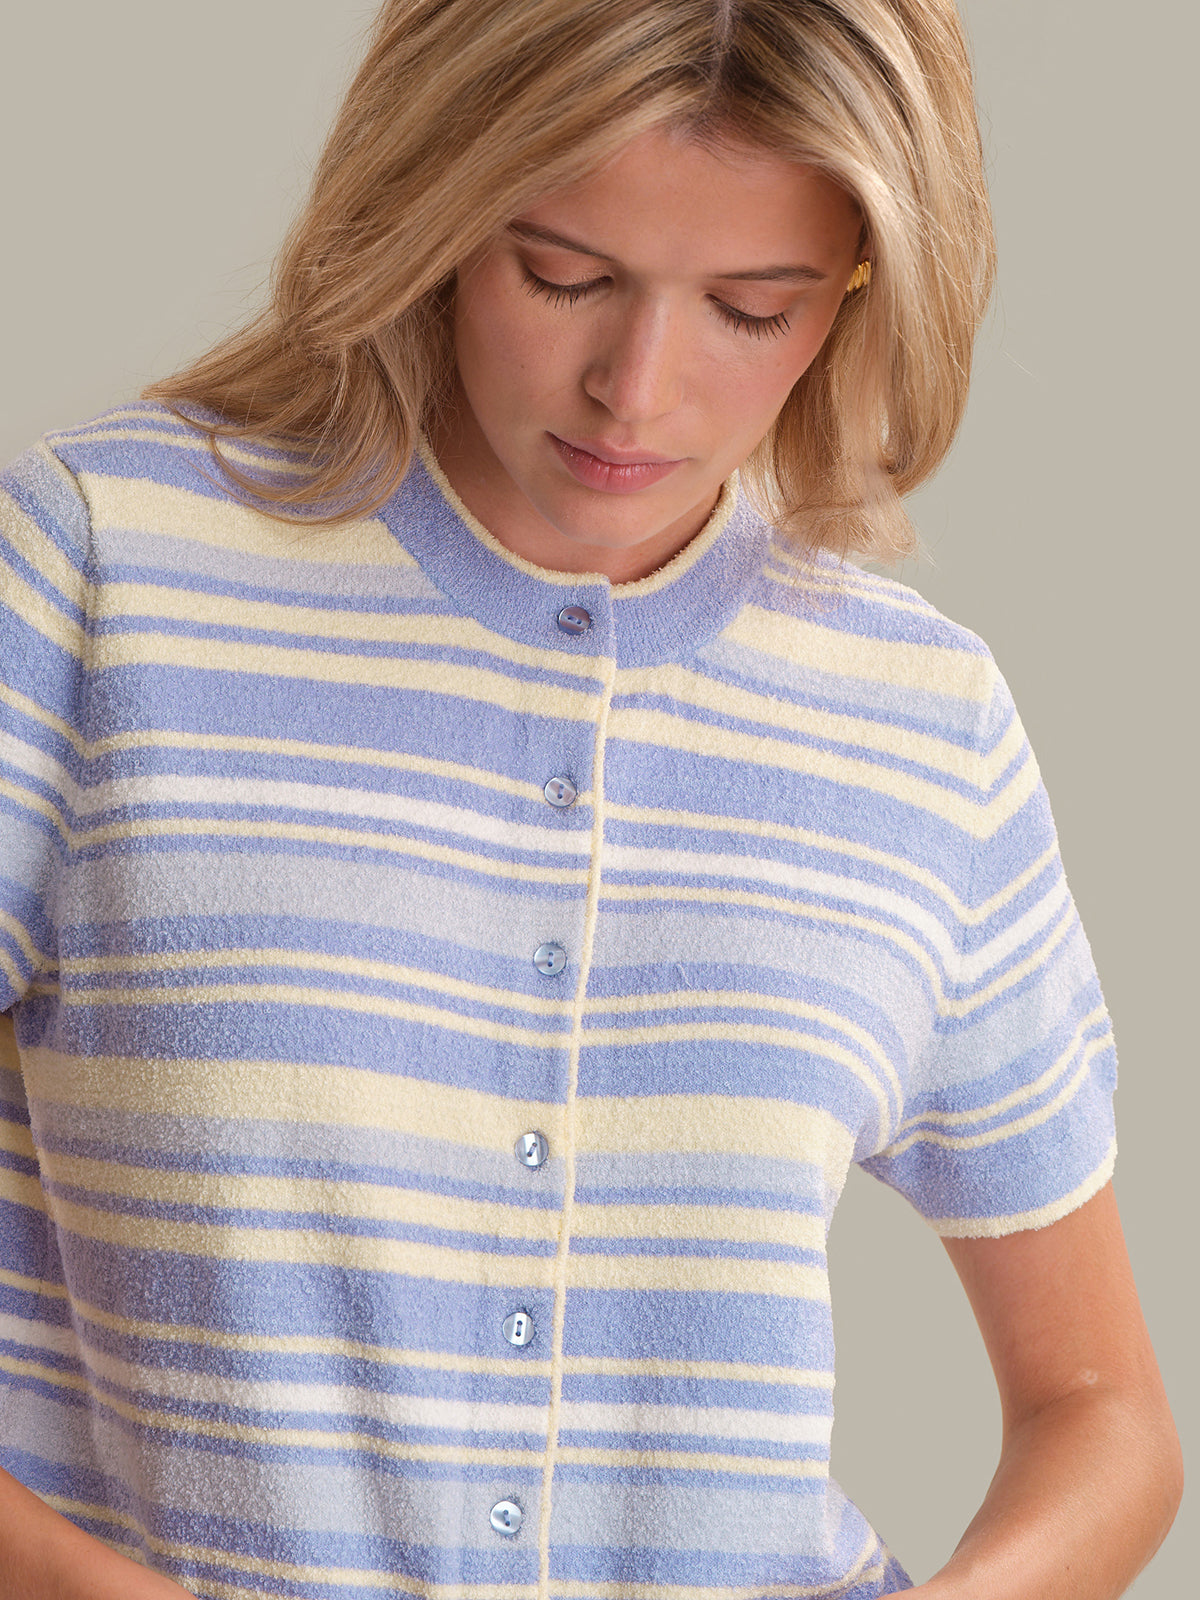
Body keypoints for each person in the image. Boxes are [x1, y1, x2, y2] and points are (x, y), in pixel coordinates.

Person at [0, 2, 1182, 1597]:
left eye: (753, 308)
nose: (638, 388)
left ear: (859, 289)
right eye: (562, 275)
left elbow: (1105, 1415)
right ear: (432, 208)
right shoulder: (100, 573)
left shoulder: (921, 723)